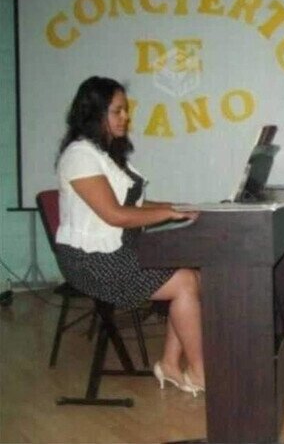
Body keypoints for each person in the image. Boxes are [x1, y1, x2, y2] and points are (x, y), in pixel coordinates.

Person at [55, 76, 204, 395]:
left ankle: (170, 365)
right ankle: (199, 372)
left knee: (192, 275)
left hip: (119, 250)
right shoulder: (80, 156)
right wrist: (168, 214)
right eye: (117, 111)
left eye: (126, 110)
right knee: (185, 282)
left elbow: (132, 205)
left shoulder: (106, 154)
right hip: (91, 261)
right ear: (95, 113)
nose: (125, 117)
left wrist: (176, 207)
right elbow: (115, 214)